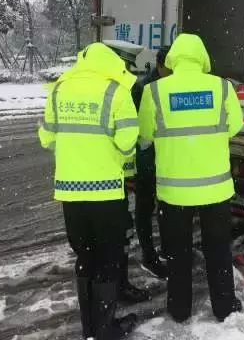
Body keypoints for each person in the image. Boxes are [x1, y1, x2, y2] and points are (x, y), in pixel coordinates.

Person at [138, 33, 244, 323]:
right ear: (203, 58)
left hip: (174, 194)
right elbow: (235, 125)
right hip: (216, 190)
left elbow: (145, 135)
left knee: (178, 253)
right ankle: (223, 306)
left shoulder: (155, 92)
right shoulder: (222, 88)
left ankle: (180, 308)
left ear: (173, 60)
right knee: (218, 251)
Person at [38, 42, 139, 340]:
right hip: (106, 192)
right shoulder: (116, 91)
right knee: (108, 258)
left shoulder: (59, 89)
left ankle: (89, 330)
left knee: (85, 255)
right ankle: (105, 329)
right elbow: (127, 142)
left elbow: (46, 137)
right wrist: (109, 159)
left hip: (70, 191)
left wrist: (73, 155)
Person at [102, 40, 152, 304]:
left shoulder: (99, 88)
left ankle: (112, 288)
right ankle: (119, 288)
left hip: (98, 176)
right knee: (120, 231)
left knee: (105, 237)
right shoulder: (125, 90)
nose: (130, 72)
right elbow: (133, 136)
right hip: (115, 176)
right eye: (127, 66)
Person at [131, 46, 172, 279]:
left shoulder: (171, 85)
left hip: (166, 160)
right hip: (147, 159)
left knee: (166, 208)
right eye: (170, 67)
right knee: (145, 209)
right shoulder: (142, 87)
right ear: (159, 64)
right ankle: (149, 256)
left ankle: (167, 250)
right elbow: (136, 127)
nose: (173, 72)